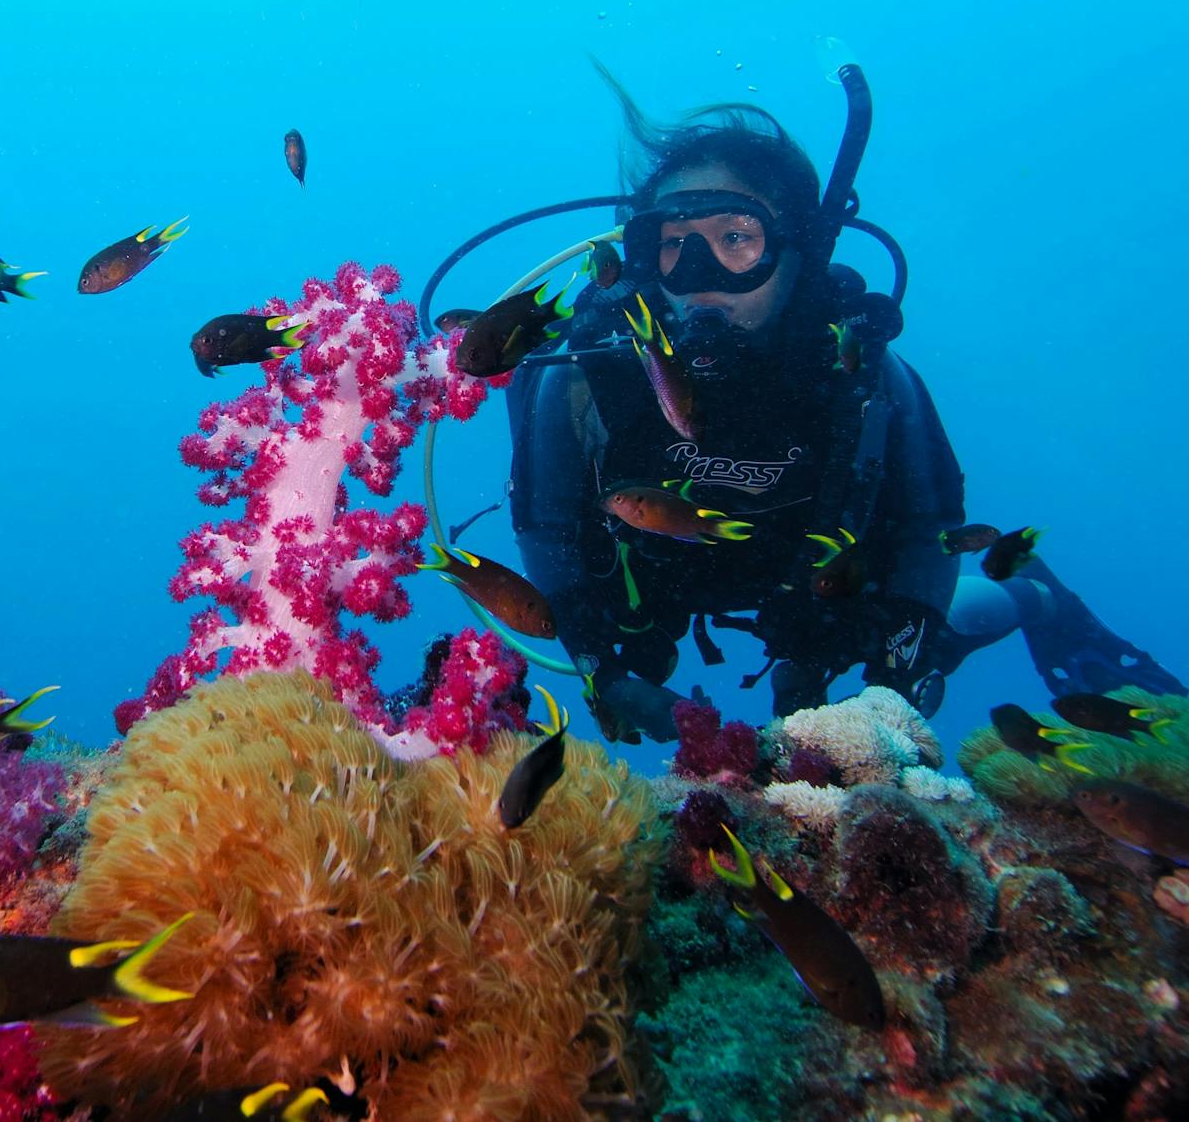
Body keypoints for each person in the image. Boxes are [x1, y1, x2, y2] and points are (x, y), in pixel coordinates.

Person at [502, 71, 1179, 742]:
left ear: (800, 249)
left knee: (918, 627)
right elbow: (546, 524)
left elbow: (926, 525)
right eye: (676, 244)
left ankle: (1033, 596)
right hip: (656, 584)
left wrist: (893, 687)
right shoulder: (588, 377)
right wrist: (603, 664)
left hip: (821, 580)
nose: (700, 274)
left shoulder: (859, 372)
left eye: (736, 238)